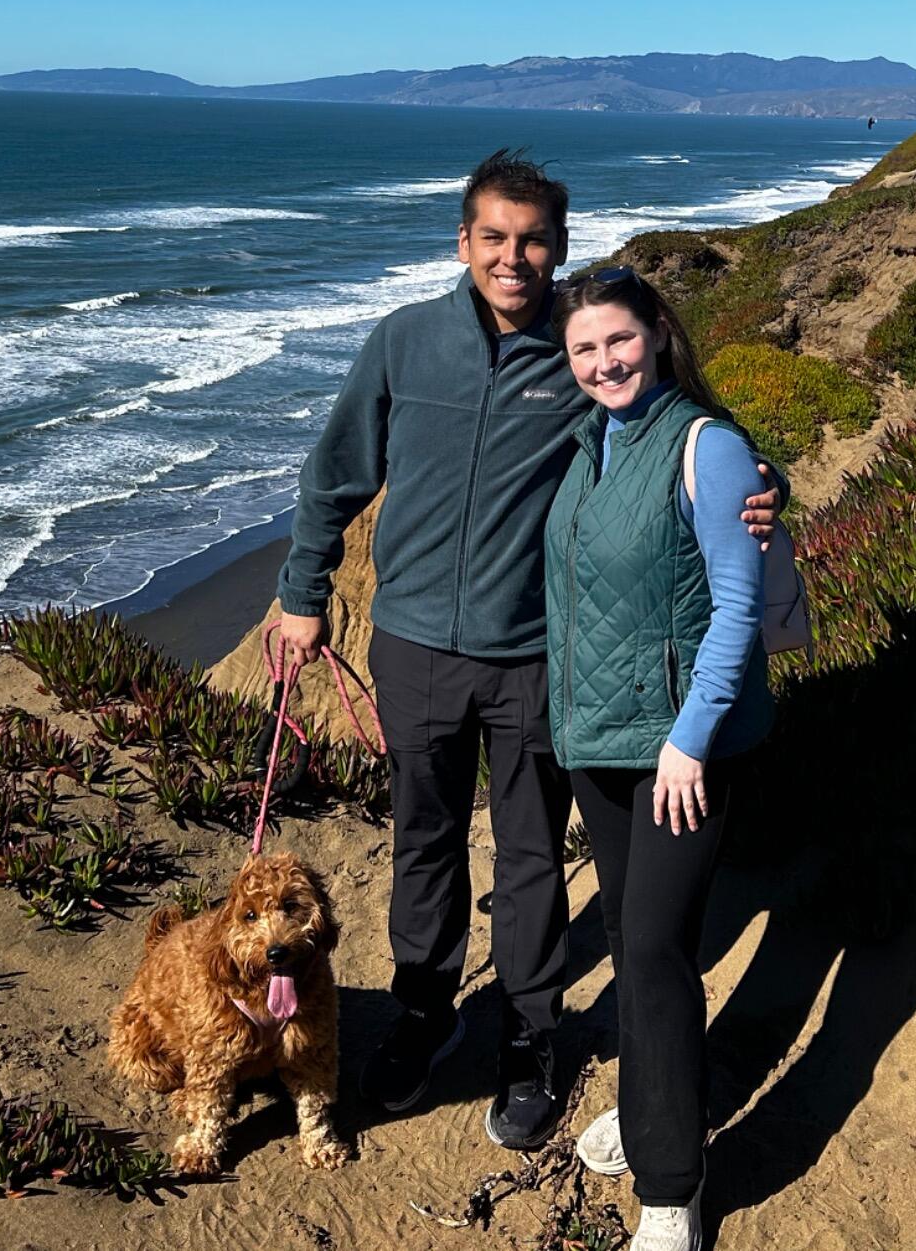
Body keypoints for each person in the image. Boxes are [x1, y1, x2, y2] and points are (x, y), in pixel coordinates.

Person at [268, 150, 781, 1152]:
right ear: (463, 241)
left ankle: (530, 1034)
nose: (513, 257)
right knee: (422, 838)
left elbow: (687, 429)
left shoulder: (582, 351)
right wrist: (301, 591)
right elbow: (335, 473)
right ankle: (426, 1011)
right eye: (494, 237)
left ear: (559, 246)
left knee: (532, 851)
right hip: (412, 643)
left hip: (538, 654)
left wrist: (768, 485)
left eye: (534, 240)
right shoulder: (403, 340)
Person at [542, 265, 775, 1251]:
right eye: (584, 348)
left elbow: (739, 607)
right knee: (633, 945)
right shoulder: (588, 438)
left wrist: (690, 738)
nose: (605, 362)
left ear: (658, 333)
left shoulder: (704, 444)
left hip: (679, 752)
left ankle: (672, 1184)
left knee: (651, 948)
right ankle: (650, 1108)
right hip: (597, 737)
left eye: (619, 339)